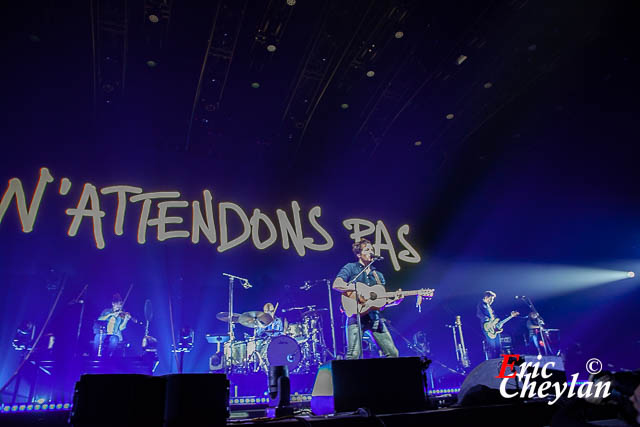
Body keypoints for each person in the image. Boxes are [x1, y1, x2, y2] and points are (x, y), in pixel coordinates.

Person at [332, 238, 402, 359]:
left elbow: (380, 302)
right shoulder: (351, 268)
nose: (371, 252)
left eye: (372, 249)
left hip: (374, 317)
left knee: (393, 353)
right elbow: (336, 284)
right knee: (353, 355)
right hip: (356, 316)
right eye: (367, 249)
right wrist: (356, 289)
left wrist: (395, 301)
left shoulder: (378, 275)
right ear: (359, 254)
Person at [476, 290, 501, 359]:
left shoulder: (489, 306)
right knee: (492, 345)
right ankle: (492, 361)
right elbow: (479, 314)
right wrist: (486, 318)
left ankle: (497, 359)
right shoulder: (481, 304)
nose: (492, 301)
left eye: (493, 299)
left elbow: (493, 317)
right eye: (491, 299)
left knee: (498, 344)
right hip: (488, 327)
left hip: (493, 327)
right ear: (486, 297)